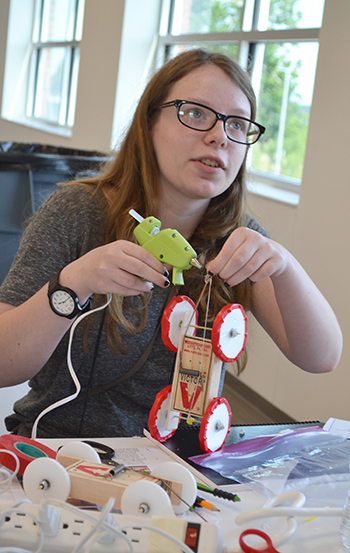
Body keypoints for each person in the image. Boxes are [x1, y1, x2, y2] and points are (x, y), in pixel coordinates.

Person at [0, 49, 342, 439]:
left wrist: (285, 266)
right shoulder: (78, 212)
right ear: (149, 124)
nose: (218, 136)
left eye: (237, 124)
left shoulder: (237, 239)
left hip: (178, 471)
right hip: (62, 456)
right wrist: (75, 282)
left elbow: (322, 357)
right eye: (195, 113)